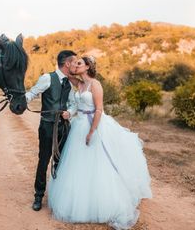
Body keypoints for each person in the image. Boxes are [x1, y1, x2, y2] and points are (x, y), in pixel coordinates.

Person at [48, 56, 152, 229]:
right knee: (78, 164)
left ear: (88, 66)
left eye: (80, 63)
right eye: (76, 63)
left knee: (98, 163)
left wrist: (91, 132)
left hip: (93, 125)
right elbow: (66, 73)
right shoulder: (79, 84)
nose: (76, 65)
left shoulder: (95, 85)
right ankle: (80, 199)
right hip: (78, 126)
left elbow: (98, 109)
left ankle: (103, 201)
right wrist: (70, 66)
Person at [25, 50, 78, 211]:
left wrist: (70, 112)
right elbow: (32, 93)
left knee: (61, 162)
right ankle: (38, 196)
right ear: (67, 63)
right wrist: (20, 103)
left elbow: (73, 103)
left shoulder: (69, 83)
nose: (75, 65)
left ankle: (57, 197)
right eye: (74, 62)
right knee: (44, 160)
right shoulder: (47, 78)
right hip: (47, 127)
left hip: (64, 127)